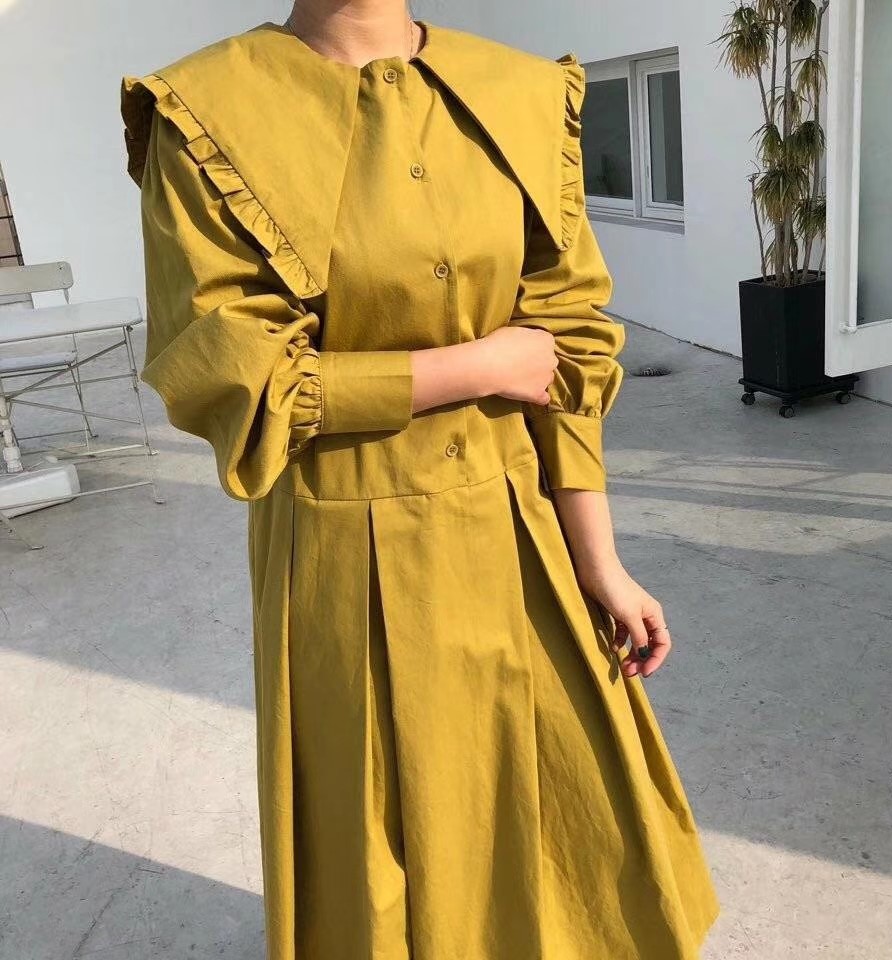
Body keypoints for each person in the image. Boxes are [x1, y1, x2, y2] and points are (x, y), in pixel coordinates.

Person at [119, 2, 720, 957]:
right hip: (339, 555)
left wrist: (600, 561)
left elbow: (565, 351)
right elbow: (241, 382)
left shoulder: (521, 93)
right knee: (381, 851)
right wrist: (475, 366)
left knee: (572, 835)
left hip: (519, 535)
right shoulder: (205, 111)